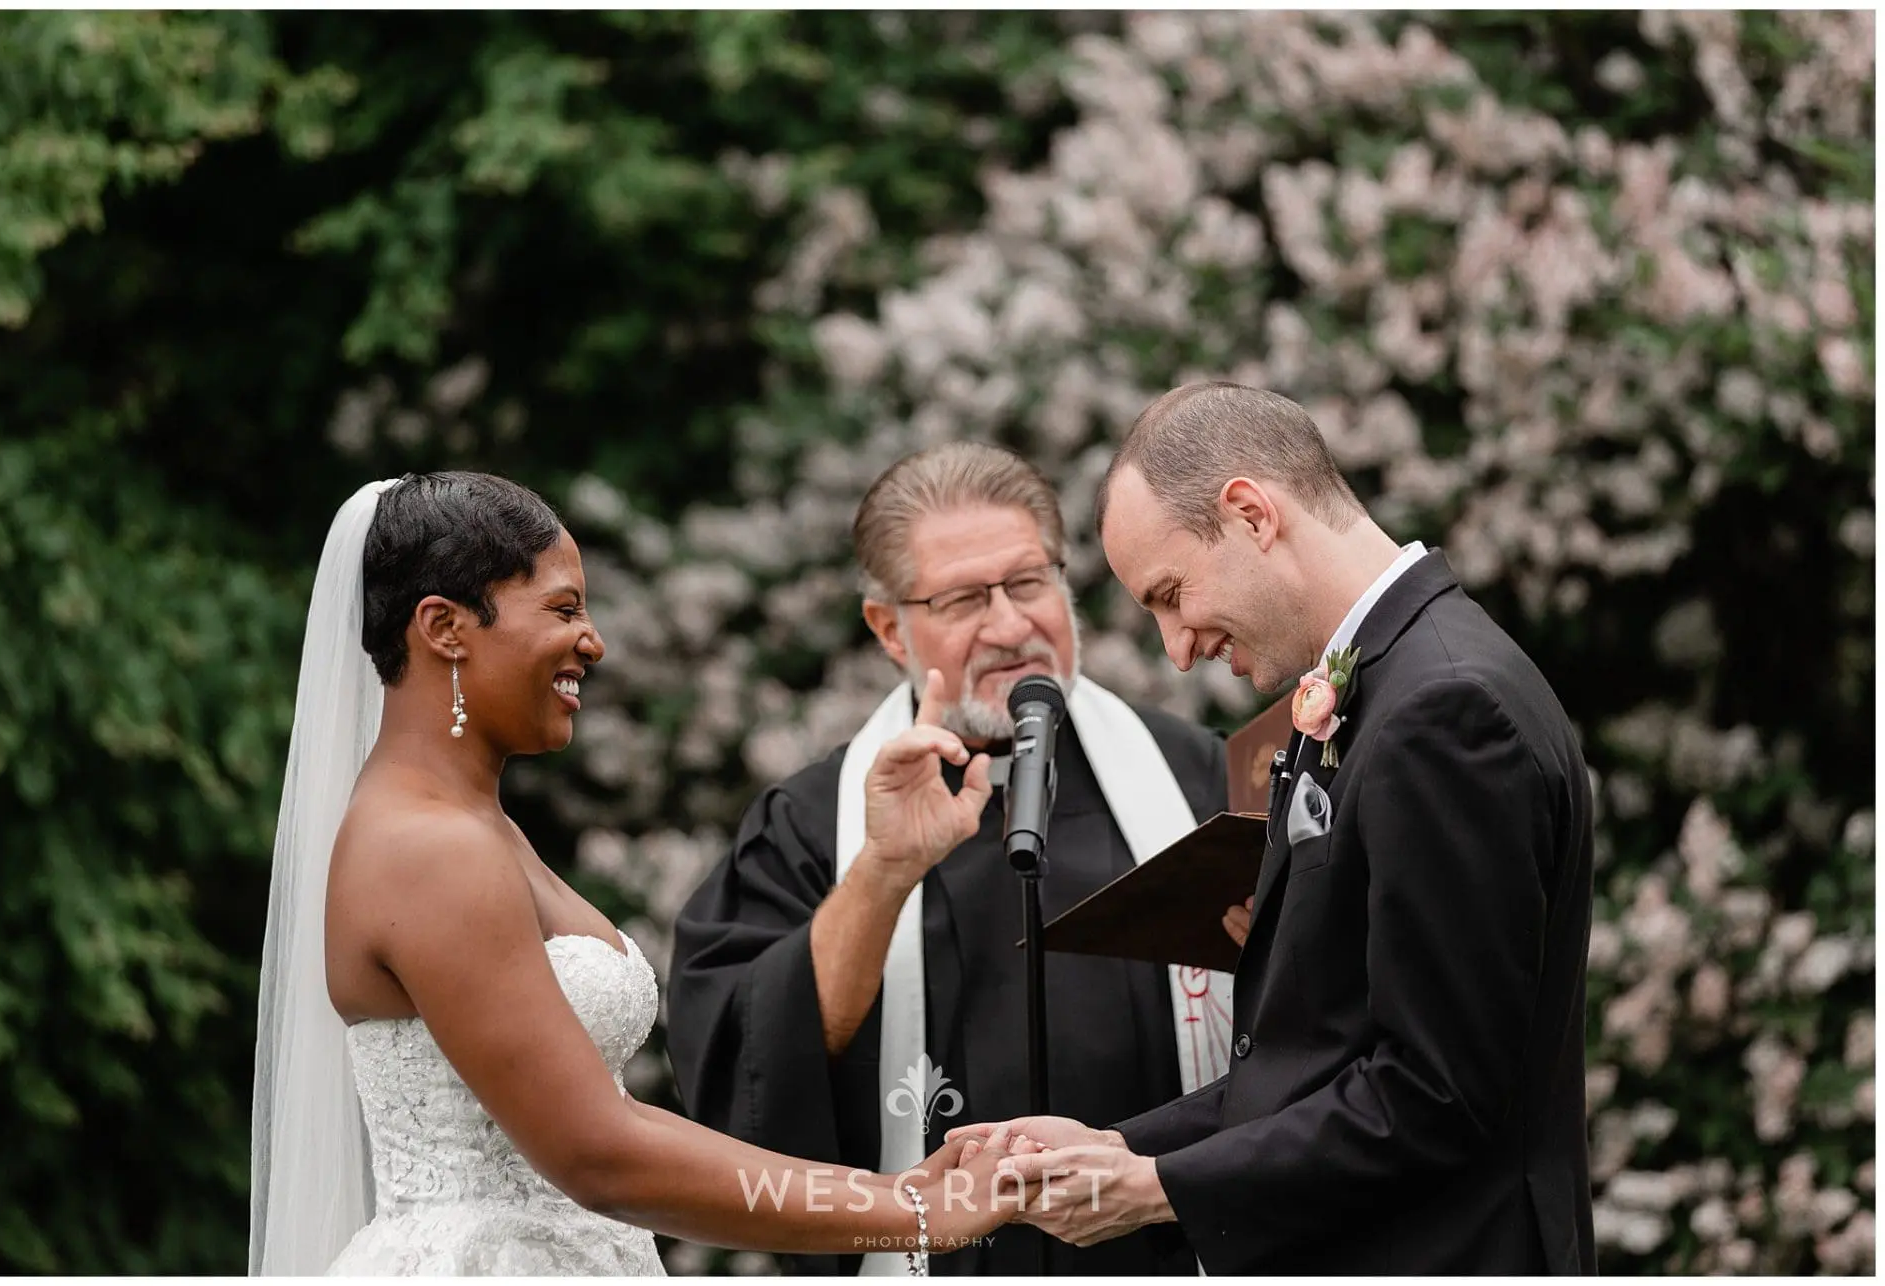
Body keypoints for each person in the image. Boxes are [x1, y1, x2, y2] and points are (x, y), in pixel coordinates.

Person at [247, 472, 1032, 1277]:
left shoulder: (479, 831)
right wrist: (906, 1214)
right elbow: (598, 1154)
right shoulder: (427, 849)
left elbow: (619, 1119)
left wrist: (882, 1191)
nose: (594, 640)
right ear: (444, 627)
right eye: (563, 608)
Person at [951, 383, 1598, 1274]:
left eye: (1171, 594)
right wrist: (1115, 1149)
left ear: (1252, 514)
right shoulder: (1391, 683)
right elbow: (1322, 1057)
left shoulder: (1447, 709)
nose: (1176, 648)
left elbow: (1436, 1095)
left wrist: (1161, 1192)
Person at [666, 442, 1239, 1276]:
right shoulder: (813, 824)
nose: (1010, 626)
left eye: (1030, 582)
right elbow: (752, 1066)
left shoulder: (1191, 776)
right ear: (889, 628)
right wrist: (885, 870)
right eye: (966, 598)